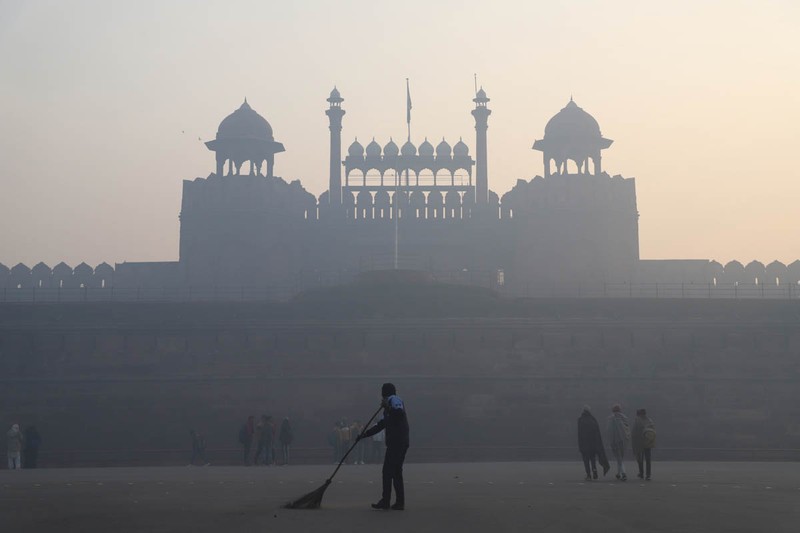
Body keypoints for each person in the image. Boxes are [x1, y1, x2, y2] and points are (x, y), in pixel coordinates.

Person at [359, 382, 410, 510]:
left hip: (397, 442)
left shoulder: (394, 399)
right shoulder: (387, 409)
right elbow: (380, 425)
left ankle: (386, 501)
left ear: (384, 393)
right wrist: (364, 435)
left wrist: (387, 407)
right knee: (396, 472)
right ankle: (399, 502)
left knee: (387, 471)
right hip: (399, 442)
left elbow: (399, 413)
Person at [577, 406, 609, 480]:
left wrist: (580, 445)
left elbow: (580, 434)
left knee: (586, 460)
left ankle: (588, 475)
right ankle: (595, 472)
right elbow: (597, 434)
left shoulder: (580, 420)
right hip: (593, 445)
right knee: (593, 459)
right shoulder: (593, 420)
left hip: (585, 444)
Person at [607, 404, 630, 481]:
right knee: (620, 458)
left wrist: (611, 441)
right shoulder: (624, 418)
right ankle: (619, 473)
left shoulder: (611, 419)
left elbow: (609, 431)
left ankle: (623, 474)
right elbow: (627, 429)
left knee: (619, 458)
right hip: (624, 441)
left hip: (615, 440)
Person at [632, 408, 656, 480]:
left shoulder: (637, 420)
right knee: (648, 459)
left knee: (640, 458)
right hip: (648, 442)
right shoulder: (650, 420)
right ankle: (648, 475)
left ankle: (641, 473)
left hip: (640, 442)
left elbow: (634, 432)